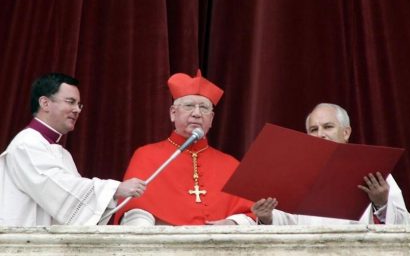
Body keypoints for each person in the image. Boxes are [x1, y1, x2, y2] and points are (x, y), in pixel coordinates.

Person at [0, 73, 146, 226]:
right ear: (45, 103)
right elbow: (57, 189)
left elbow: (74, 206)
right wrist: (115, 189)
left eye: (79, 104)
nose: (77, 109)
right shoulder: (27, 144)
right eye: (70, 102)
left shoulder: (62, 153)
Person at [114, 69, 255, 226]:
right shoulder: (146, 155)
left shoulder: (230, 164)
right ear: (173, 113)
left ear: (212, 119)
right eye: (189, 106)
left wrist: (231, 223)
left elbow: (251, 214)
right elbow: (132, 211)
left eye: (204, 108)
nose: (196, 113)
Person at [252, 103, 410, 225]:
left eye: (328, 127)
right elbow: (288, 222)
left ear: (346, 132)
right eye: (313, 130)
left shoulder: (373, 171)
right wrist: (267, 217)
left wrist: (382, 203)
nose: (320, 135)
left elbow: (406, 228)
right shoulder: (296, 174)